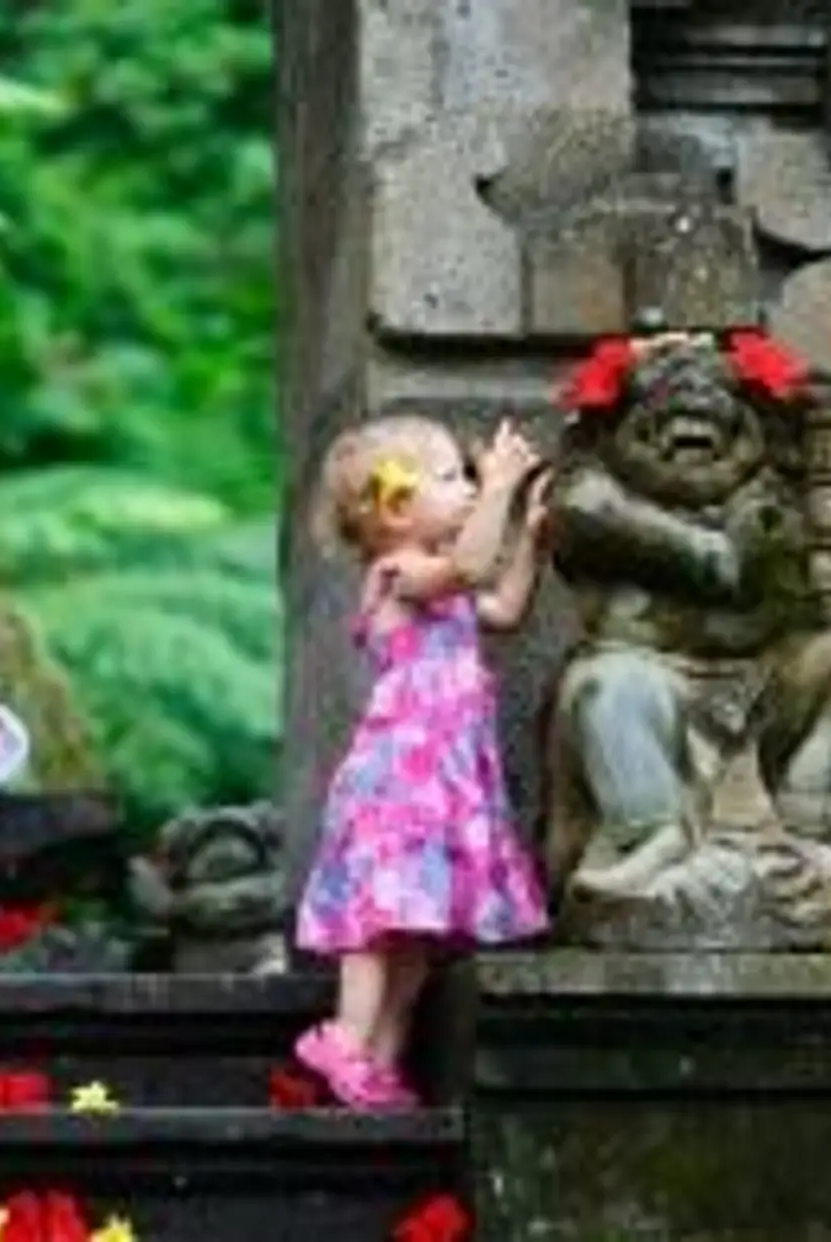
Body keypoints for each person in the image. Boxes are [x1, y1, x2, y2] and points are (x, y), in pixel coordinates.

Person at [291, 413, 552, 1111]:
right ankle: (344, 1040)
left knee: (415, 942)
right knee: (377, 924)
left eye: (468, 478)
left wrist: (528, 535)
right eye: (449, 478)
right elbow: (468, 566)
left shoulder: (445, 585)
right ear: (397, 508)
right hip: (401, 780)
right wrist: (499, 485)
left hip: (444, 780)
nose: (467, 489)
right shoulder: (400, 571)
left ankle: (379, 1060)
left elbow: (503, 606)